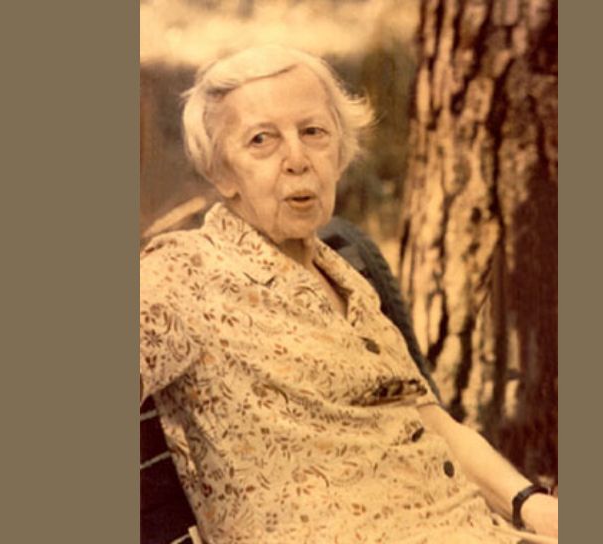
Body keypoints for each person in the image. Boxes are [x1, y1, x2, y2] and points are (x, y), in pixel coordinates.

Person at [140, 45, 558, 543]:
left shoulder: (343, 276)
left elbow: (425, 416)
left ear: (339, 152)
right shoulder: (185, 274)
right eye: (261, 140)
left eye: (313, 132)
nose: (297, 160)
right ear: (221, 172)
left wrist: (529, 503)